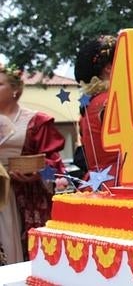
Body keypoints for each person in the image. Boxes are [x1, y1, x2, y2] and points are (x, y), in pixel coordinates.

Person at [0, 63, 65, 264]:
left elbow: (54, 164)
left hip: (22, 194)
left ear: (15, 89)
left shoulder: (35, 121)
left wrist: (38, 174)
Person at [74, 35, 119, 186]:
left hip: (98, 181)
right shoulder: (111, 101)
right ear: (109, 67)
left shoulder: (93, 102)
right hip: (121, 182)